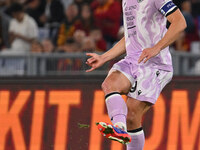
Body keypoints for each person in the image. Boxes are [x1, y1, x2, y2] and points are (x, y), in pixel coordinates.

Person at [86, 0, 186, 149]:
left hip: (155, 65)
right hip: (133, 60)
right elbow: (130, 36)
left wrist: (156, 47)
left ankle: (122, 127)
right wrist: (104, 57)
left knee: (132, 115)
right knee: (109, 83)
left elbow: (180, 23)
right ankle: (119, 128)